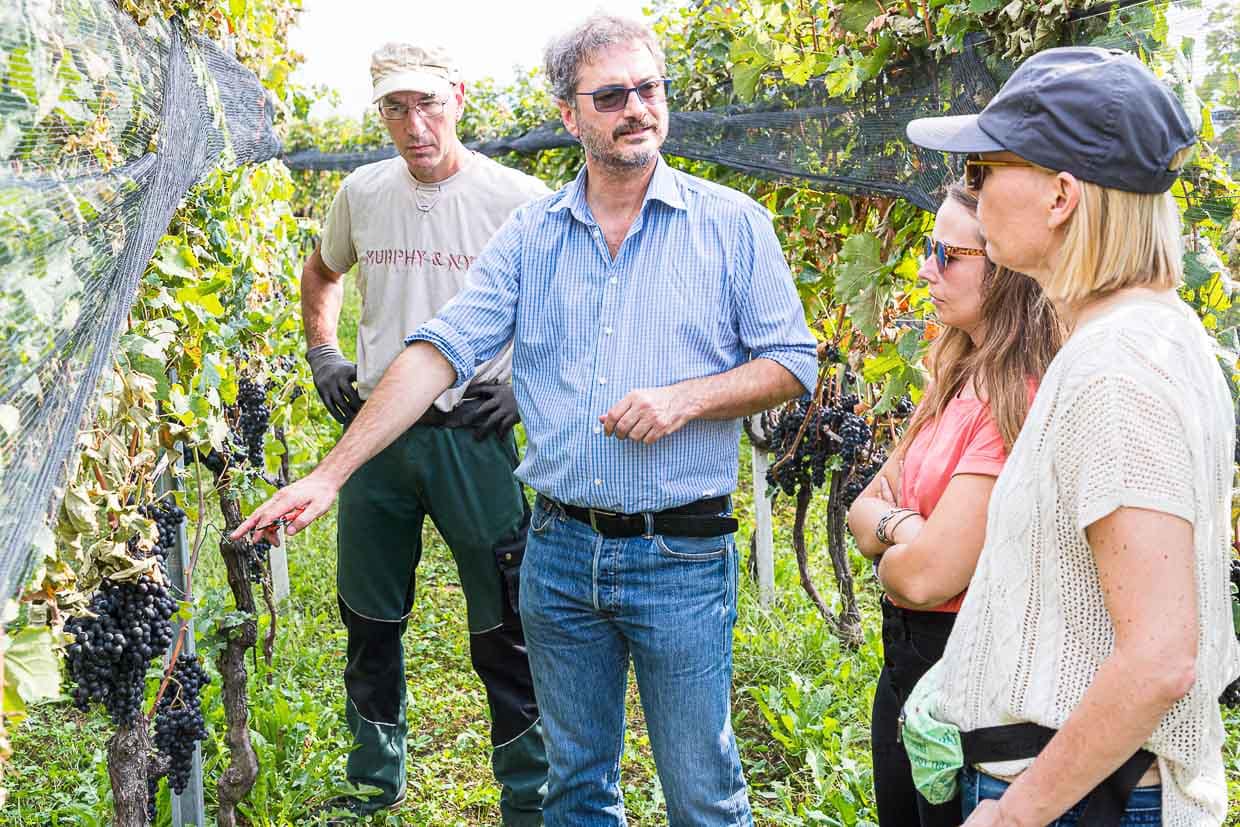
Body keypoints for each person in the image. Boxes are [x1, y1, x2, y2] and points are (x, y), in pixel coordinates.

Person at [235, 13, 817, 825]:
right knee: (575, 789)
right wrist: (330, 474)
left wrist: (684, 398)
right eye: (610, 95)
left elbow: (794, 361)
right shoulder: (531, 235)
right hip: (560, 554)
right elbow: (439, 351)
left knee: (702, 794)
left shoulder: (732, 224)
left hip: (679, 555)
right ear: (570, 114)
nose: (635, 108)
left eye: (647, 89)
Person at [903, 46, 1240, 826]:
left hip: (1086, 801)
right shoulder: (1151, 334)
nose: (972, 194)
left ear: (1060, 195)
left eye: (984, 171)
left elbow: (1159, 656)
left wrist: (1015, 812)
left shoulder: (1115, 368)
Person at [299, 42, 551, 822]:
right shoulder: (363, 192)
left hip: (472, 435)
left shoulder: (519, 198)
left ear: (459, 97)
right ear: (379, 112)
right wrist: (323, 351)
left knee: (507, 624)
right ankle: (374, 778)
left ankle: (529, 794)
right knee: (369, 616)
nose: (415, 125)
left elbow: (568, 308)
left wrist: (523, 388)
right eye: (395, 108)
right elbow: (322, 272)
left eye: (428, 104)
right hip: (377, 435)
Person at [846, 182, 1060, 826]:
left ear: (1004, 269)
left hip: (965, 669)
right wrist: (913, 527)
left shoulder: (1015, 396)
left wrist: (897, 544)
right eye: (927, 248)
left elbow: (924, 576)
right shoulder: (956, 372)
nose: (926, 267)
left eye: (948, 253)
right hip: (906, 663)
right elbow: (862, 509)